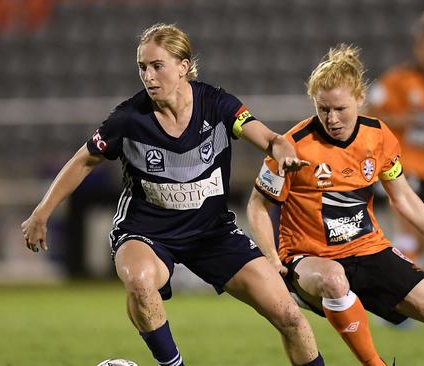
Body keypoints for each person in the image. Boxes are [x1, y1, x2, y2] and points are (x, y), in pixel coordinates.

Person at [21, 23, 324, 366]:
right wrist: (42, 211)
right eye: (142, 67)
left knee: (290, 316)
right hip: (148, 232)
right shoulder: (128, 119)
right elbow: (84, 160)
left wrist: (282, 148)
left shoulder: (217, 105)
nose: (148, 76)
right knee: (139, 282)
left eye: (157, 66)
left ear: (183, 66)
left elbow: (269, 138)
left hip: (212, 233)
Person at [247, 43, 424, 366]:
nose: (331, 119)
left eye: (340, 109)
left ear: (360, 99)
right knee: (333, 279)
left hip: (370, 251)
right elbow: (257, 206)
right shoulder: (291, 146)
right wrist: (273, 261)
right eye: (323, 109)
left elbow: (403, 197)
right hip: (310, 259)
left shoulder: (379, 136)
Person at [366, 10, 424, 262]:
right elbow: (368, 113)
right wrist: (402, 119)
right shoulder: (397, 80)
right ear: (416, 49)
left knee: (422, 241)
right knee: (408, 230)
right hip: (402, 165)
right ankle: (402, 288)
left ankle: (388, 266)